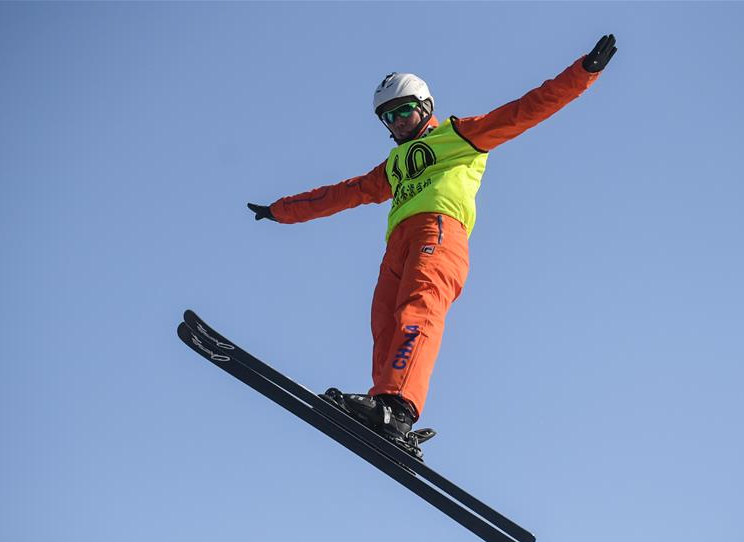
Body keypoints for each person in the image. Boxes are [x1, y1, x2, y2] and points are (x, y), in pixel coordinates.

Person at [248, 35, 617, 453]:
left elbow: (524, 110)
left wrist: (582, 74)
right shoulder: (393, 165)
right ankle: (381, 404)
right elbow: (342, 192)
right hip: (398, 245)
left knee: (417, 311)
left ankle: (398, 406)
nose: (399, 122)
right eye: (389, 118)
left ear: (425, 107)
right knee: (383, 321)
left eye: (404, 111)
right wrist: (282, 210)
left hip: (439, 233)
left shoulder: (460, 136)